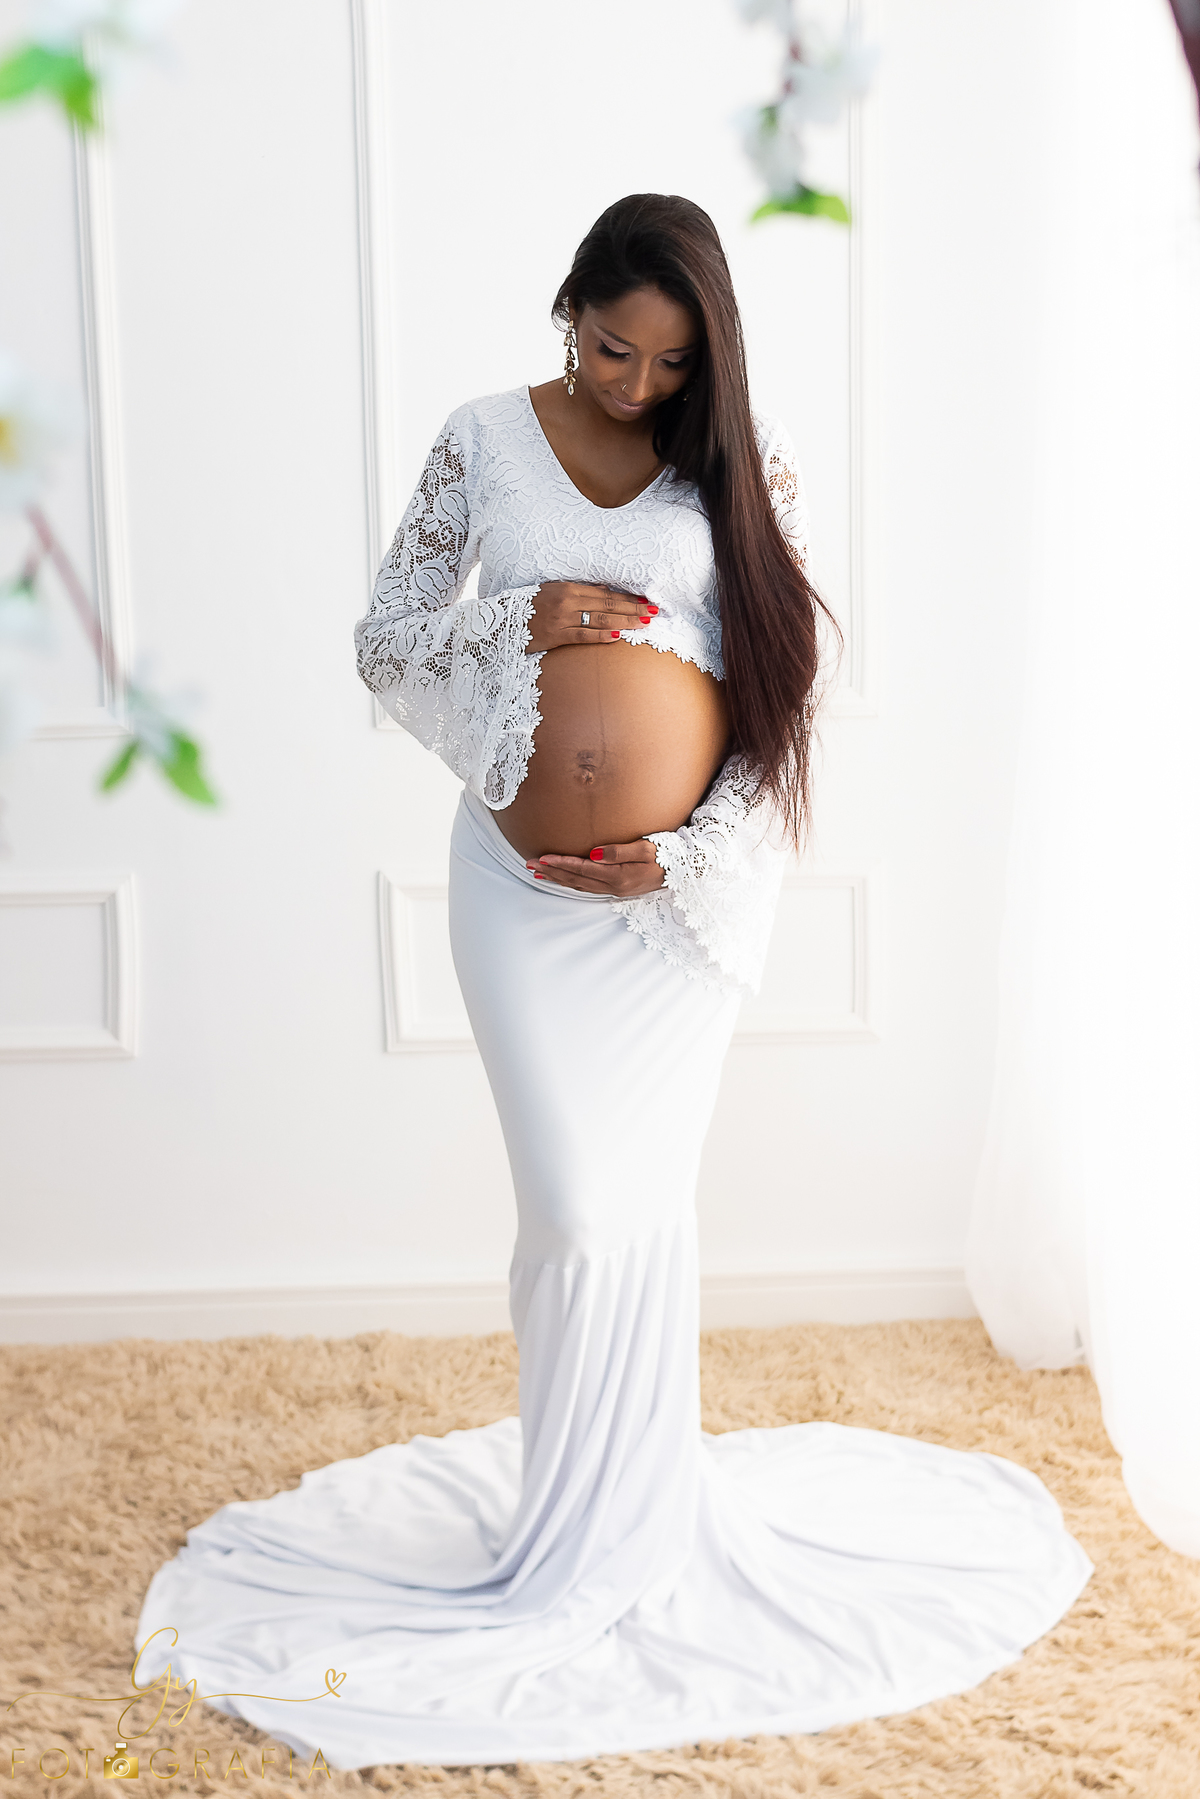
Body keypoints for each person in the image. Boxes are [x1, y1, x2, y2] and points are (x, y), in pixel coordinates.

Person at [134, 194, 1091, 1770]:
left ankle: (631, 1519)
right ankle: (567, 1524)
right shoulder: (481, 441)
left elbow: (785, 689)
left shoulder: (737, 461)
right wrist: (518, 618)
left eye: (671, 362)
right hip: (519, 897)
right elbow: (387, 641)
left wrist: (690, 853)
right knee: (573, 1213)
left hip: (674, 913)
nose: (639, 384)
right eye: (611, 349)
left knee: (638, 1212)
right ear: (565, 310)